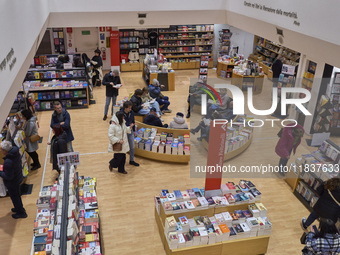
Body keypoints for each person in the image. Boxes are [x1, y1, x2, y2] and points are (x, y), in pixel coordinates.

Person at [0, 140, 27, 219]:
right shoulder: (15, 153)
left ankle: (21, 213)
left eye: (1, 149)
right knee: (17, 195)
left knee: (15, 197)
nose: (1, 151)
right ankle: (19, 208)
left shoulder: (8, 162)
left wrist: (0, 172)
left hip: (12, 182)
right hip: (17, 177)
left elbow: (8, 176)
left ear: (5, 151)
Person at [120, 101, 139, 167]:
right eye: (129, 108)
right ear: (125, 108)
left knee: (132, 146)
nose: (130, 109)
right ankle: (122, 162)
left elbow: (133, 121)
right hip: (124, 132)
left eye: (131, 108)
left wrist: (133, 130)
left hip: (130, 131)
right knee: (124, 147)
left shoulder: (132, 112)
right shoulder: (121, 114)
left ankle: (131, 160)